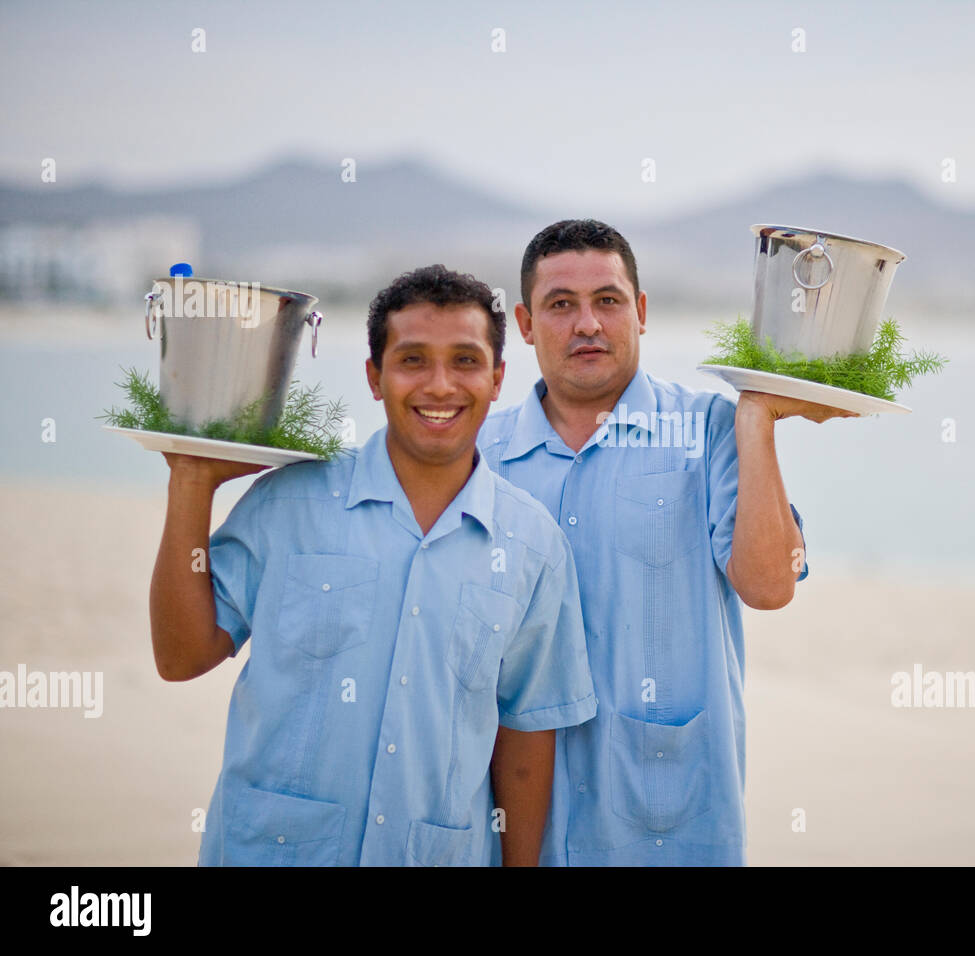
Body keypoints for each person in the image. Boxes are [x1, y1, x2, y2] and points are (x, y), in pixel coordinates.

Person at [150, 264, 596, 866]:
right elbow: (181, 657)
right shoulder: (289, 504)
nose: (440, 385)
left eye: (465, 361)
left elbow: (524, 734)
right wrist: (191, 480)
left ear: (497, 378)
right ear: (374, 377)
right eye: (412, 360)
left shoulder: (533, 545)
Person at [477, 220, 852, 865]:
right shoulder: (480, 456)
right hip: (511, 831)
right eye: (561, 304)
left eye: (609, 300)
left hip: (669, 828)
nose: (588, 323)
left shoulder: (707, 431)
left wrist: (756, 418)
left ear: (641, 312)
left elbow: (768, 586)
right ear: (526, 323)